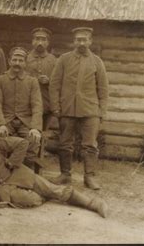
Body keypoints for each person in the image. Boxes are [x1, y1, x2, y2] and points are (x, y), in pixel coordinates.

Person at [0, 121, 108, 218]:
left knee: (53, 189)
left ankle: (93, 204)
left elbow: (22, 143)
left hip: (18, 173)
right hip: (0, 189)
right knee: (32, 200)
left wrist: (12, 163)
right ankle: (42, 193)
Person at [49, 27, 109, 190]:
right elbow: (54, 85)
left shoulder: (97, 61)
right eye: (78, 39)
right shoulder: (64, 59)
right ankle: (65, 175)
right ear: (74, 41)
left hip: (90, 111)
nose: (81, 43)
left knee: (90, 145)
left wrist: (101, 111)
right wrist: (56, 107)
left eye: (85, 39)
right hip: (67, 109)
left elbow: (103, 88)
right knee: (64, 144)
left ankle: (89, 177)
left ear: (90, 41)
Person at [0, 47, 43, 169]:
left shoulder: (32, 81)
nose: (17, 63)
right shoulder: (0, 79)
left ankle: (27, 175)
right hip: (6, 121)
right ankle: (2, 172)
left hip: (26, 122)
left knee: (33, 139)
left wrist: (35, 127)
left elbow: (37, 105)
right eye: (15, 60)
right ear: (9, 61)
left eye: (20, 60)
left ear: (25, 63)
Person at [26, 27, 57, 131]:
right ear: (32, 41)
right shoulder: (26, 58)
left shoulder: (53, 60)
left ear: (48, 42)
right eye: (37, 39)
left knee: (43, 132)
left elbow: (59, 81)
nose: (40, 42)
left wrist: (49, 81)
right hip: (27, 104)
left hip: (46, 103)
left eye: (43, 39)